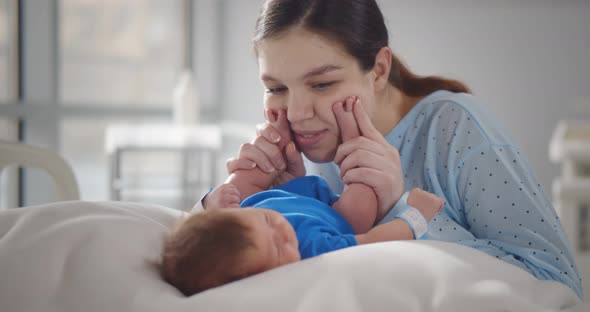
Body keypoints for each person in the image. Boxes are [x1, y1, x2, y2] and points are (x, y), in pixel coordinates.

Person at [217, 0, 583, 299]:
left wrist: (401, 208)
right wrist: (271, 197)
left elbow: (559, 283)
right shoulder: (295, 148)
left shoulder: (456, 129)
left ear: (378, 70)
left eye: (323, 84)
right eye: (276, 88)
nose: (297, 114)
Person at [161, 174, 444, 296]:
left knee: (246, 171)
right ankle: (356, 130)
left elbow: (203, 226)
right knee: (363, 187)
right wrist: (417, 215)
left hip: (294, 189)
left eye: (268, 222)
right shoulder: (314, 250)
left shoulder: (243, 217)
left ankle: (284, 135)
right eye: (277, 250)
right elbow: (373, 241)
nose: (284, 231)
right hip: (337, 210)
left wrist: (214, 201)